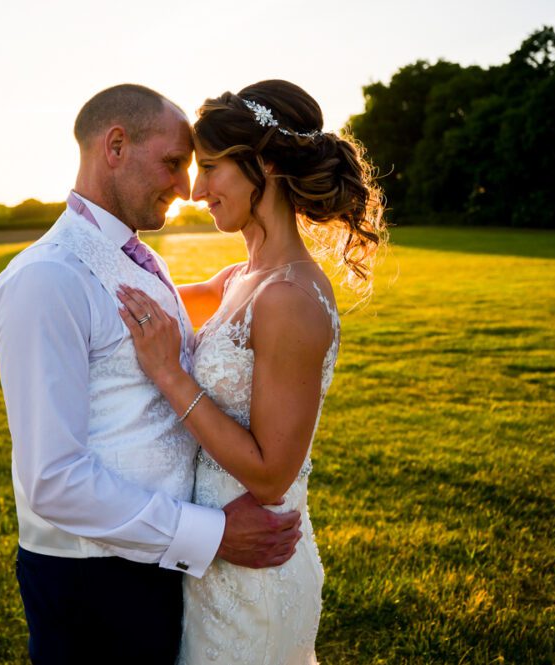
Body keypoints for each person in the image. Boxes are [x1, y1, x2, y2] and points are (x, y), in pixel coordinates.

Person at [0, 83, 303, 665]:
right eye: (174, 162)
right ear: (115, 146)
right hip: (93, 585)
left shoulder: (135, 255)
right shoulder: (45, 280)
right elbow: (53, 480)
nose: (185, 188)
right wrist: (210, 534)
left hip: (154, 568)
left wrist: (253, 279)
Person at [116, 79, 386, 664]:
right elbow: (134, 303)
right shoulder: (240, 279)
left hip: (257, 571)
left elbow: (270, 475)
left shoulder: (289, 296)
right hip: (215, 556)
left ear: (263, 164)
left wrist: (172, 376)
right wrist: (68, 263)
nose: (196, 189)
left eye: (211, 167)